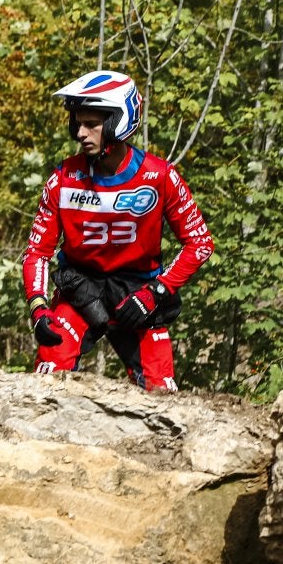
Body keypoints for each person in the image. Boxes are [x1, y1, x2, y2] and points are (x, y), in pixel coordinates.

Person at [21, 70, 214, 391]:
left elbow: (200, 243)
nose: (81, 133)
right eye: (77, 123)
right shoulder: (63, 178)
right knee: (47, 378)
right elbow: (37, 252)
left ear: (118, 123)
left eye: (92, 124)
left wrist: (158, 292)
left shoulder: (160, 176)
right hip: (80, 290)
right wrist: (38, 308)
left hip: (140, 293)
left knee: (161, 392)